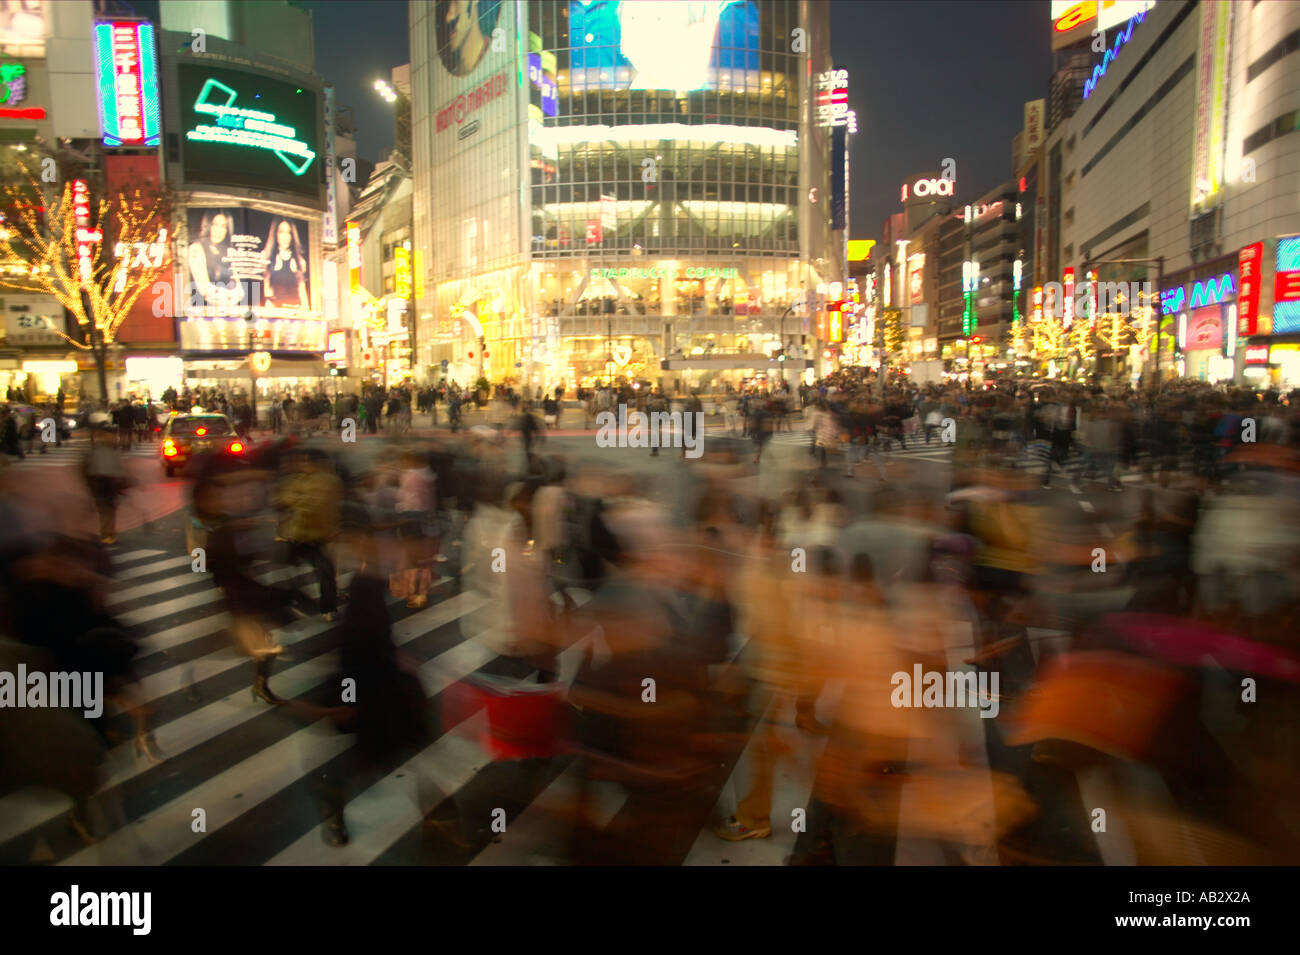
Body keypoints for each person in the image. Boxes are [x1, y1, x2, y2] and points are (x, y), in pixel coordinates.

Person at [276, 449, 343, 621]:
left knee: (325, 572)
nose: (303, 465)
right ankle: (297, 601)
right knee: (290, 570)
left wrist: (298, 502)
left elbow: (316, 505)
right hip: (297, 534)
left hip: (318, 536)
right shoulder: (299, 479)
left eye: (306, 462)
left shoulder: (329, 481)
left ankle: (328, 607)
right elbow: (285, 498)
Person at [83, 424, 128, 544]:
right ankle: (106, 535)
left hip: (110, 484)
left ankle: (109, 533)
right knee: (105, 511)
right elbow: (95, 468)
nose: (114, 438)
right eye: (111, 435)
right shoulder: (99, 450)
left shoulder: (112, 449)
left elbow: (117, 466)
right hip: (102, 483)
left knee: (110, 510)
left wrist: (122, 480)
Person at [187, 211, 241, 309]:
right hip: (202, 311)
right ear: (208, 225)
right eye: (215, 225)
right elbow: (204, 289)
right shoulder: (196, 248)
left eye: (223, 226)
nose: (218, 231)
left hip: (228, 311)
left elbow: (240, 291)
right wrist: (228, 295)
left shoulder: (228, 252)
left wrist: (228, 296)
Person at [262, 219, 309, 310]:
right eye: (281, 232)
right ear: (275, 234)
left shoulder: (300, 260)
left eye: (289, 233)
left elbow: (302, 291)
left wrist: (306, 310)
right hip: (276, 312)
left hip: (296, 312)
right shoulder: (267, 258)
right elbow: (267, 290)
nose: (285, 237)